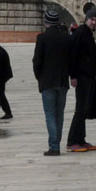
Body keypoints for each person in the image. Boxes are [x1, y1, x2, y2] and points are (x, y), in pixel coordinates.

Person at [33, 9, 71, 156]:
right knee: (59, 114)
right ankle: (57, 143)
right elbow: (70, 59)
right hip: (62, 81)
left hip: (47, 82)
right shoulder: (66, 38)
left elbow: (37, 61)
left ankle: (54, 147)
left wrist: (39, 77)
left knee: (50, 114)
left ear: (46, 22)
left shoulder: (42, 38)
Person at [66, 9, 96, 152]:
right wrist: (73, 76)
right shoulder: (80, 33)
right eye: (92, 19)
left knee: (84, 110)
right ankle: (72, 142)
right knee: (80, 110)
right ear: (86, 19)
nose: (94, 22)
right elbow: (72, 56)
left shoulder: (88, 34)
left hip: (88, 77)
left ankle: (81, 140)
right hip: (81, 77)